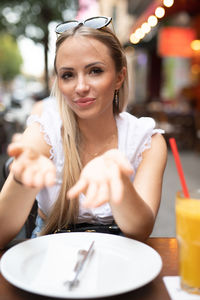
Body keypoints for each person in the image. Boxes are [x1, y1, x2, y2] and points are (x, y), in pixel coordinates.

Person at [0, 16, 167, 248]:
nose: (80, 87)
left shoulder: (147, 139)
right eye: (68, 75)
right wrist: (21, 179)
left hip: (121, 255)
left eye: (95, 71)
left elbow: (140, 232)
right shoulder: (44, 131)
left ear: (120, 77)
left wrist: (118, 181)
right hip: (48, 253)